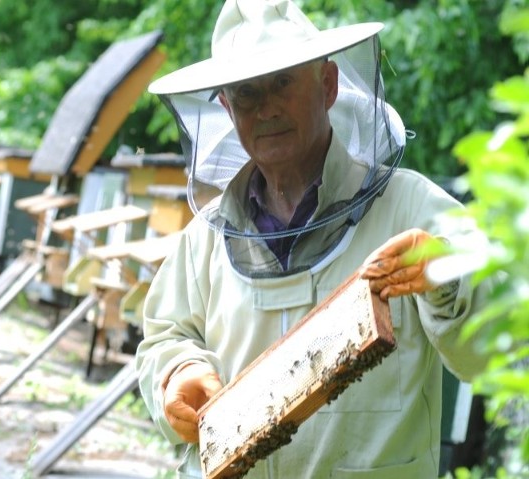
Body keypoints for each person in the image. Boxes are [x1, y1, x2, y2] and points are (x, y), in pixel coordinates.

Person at [136, 1, 493, 477]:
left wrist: (446, 278)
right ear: (226, 107)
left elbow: (493, 349)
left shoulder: (413, 206)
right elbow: (166, 336)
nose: (265, 108)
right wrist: (177, 373)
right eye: (245, 93)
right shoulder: (203, 240)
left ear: (327, 85)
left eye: (283, 82)